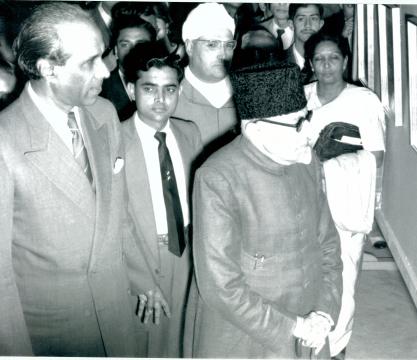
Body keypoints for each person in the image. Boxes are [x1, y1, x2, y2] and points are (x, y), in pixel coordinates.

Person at [0, 3, 141, 356]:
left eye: (103, 57)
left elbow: (118, 216)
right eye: (88, 62)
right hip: (55, 338)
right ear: (49, 69)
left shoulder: (105, 114)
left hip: (120, 325)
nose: (106, 73)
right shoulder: (6, 141)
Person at [184, 60, 342, 358]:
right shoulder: (217, 177)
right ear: (255, 130)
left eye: (307, 117)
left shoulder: (307, 163)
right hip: (248, 337)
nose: (310, 133)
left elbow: (329, 247)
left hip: (312, 328)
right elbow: (221, 286)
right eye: (297, 123)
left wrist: (325, 312)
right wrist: (296, 327)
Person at [304, 31, 386, 360]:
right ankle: (308, 340)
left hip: (344, 201)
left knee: (344, 275)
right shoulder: (301, 95)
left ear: (345, 61)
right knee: (307, 272)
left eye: (333, 58)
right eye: (319, 59)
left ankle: (337, 348)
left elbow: (376, 155)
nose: (326, 65)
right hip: (304, 197)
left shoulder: (363, 100)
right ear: (310, 63)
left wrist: (331, 164)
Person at [121, 41, 202, 357]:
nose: (160, 99)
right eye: (149, 89)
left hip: (186, 251)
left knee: (184, 338)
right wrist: (140, 279)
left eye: (170, 89)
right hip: (141, 255)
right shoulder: (114, 140)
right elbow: (117, 221)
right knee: (146, 341)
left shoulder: (189, 133)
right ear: (131, 90)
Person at [173, 2, 238, 158]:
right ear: (189, 46)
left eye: (229, 45)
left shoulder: (244, 94)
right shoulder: (172, 96)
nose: (223, 54)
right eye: (212, 45)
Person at [100, 15, 156, 121]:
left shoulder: (166, 85)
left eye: (141, 44)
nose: (132, 50)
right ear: (115, 51)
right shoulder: (101, 90)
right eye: (125, 44)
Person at [284, 3, 324, 84]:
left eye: (313, 19)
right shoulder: (276, 63)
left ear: (321, 24)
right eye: (301, 19)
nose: (308, 25)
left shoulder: (333, 64)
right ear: (291, 24)